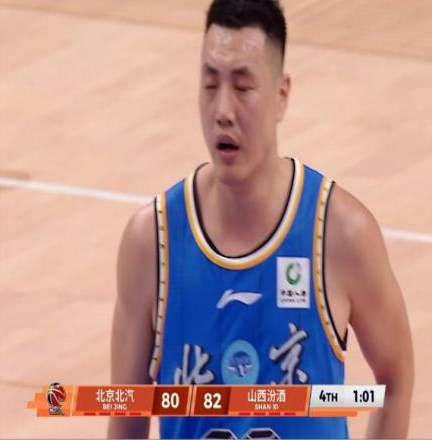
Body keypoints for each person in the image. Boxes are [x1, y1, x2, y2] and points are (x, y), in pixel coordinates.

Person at [107, 0, 414, 438]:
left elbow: (395, 375)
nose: (223, 110)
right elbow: (126, 416)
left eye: (242, 87)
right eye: (210, 85)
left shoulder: (341, 234)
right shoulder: (151, 243)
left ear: (281, 95)